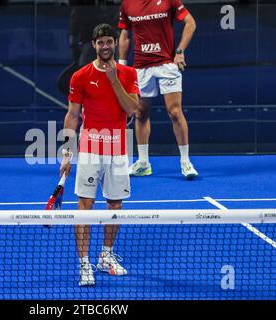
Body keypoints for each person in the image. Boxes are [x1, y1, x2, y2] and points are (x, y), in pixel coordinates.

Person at [60, 23, 139, 286]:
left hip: (117, 150)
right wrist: (67, 152)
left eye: (109, 42)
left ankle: (105, 256)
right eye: (100, 42)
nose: (105, 47)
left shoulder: (128, 74)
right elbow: (72, 115)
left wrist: (113, 79)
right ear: (93, 45)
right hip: (90, 149)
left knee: (115, 204)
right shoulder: (80, 76)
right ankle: (85, 264)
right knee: (85, 207)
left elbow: (132, 110)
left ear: (115, 43)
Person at [118, 0, 198, 179]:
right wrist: (122, 65)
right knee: (140, 113)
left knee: (175, 112)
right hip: (141, 67)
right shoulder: (127, 4)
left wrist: (180, 51)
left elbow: (190, 23)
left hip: (167, 64)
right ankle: (144, 163)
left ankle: (185, 162)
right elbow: (125, 35)